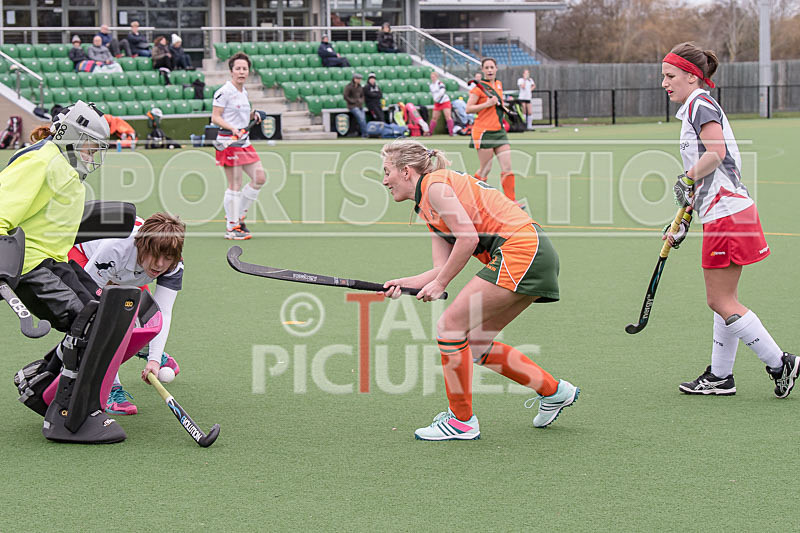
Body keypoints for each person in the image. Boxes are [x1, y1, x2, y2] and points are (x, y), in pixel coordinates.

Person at [380, 139, 579, 440]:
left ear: (406, 171)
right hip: (531, 252)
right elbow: (439, 268)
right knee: (475, 342)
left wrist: (441, 284)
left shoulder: (435, 187)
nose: (384, 181)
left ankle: (461, 422)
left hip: (520, 250)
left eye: (387, 172)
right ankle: (554, 392)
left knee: (450, 327)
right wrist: (403, 283)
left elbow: (468, 239)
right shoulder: (426, 205)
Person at [658, 42, 799, 397]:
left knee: (720, 301)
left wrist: (686, 176)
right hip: (727, 212)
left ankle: (781, 363)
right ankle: (720, 377)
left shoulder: (700, 104)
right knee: (726, 298)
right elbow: (705, 174)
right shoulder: (696, 105)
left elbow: (715, 153)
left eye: (670, 76)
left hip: (728, 215)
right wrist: (685, 219)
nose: (664, 82)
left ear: (692, 77)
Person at [0, 101, 133, 443]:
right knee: (89, 328)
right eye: (91, 145)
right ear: (74, 136)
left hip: (55, 261)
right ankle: (67, 417)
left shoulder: (65, 168)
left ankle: (39, 386)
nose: (93, 154)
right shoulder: (40, 161)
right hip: (30, 266)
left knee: (105, 319)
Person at [68, 213, 185, 415]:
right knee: (102, 322)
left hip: (128, 270)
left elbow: (163, 312)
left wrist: (154, 360)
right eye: (155, 255)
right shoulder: (114, 248)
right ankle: (110, 387)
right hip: (84, 255)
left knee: (146, 320)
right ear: (142, 245)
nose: (159, 264)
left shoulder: (172, 263)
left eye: (166, 258)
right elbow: (90, 306)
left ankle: (145, 350)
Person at [211, 52, 266, 240]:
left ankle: (238, 214)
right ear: (231, 71)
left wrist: (253, 115)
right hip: (229, 142)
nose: (242, 72)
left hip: (244, 141)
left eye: (244, 69)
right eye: (238, 69)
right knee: (235, 184)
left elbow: (241, 115)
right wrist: (233, 128)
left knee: (259, 177)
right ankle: (232, 227)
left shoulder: (243, 92)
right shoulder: (224, 91)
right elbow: (216, 117)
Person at [465, 57, 516, 201]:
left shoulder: (499, 84)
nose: (489, 70)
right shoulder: (477, 89)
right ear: (482, 70)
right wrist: (486, 104)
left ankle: (511, 202)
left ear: (496, 69)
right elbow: (468, 109)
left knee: (507, 168)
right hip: (484, 132)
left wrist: (507, 110)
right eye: (486, 68)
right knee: (485, 169)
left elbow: (497, 104)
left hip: (499, 131)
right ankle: (475, 198)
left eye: (492, 67)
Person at [429, 71, 454, 136]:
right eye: (431, 77)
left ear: (437, 77)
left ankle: (451, 132)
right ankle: (430, 132)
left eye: (434, 77)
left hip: (444, 101)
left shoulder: (440, 83)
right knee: (434, 117)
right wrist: (436, 99)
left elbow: (442, 92)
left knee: (448, 116)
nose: (432, 78)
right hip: (437, 103)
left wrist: (437, 98)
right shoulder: (431, 85)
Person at [344, 73, 368, 138]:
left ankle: (364, 133)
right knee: (361, 119)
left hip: (360, 106)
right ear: (354, 79)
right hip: (352, 106)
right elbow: (345, 96)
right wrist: (353, 101)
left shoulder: (360, 87)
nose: (359, 80)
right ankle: (365, 134)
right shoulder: (349, 86)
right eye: (358, 79)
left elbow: (362, 95)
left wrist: (361, 100)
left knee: (363, 119)